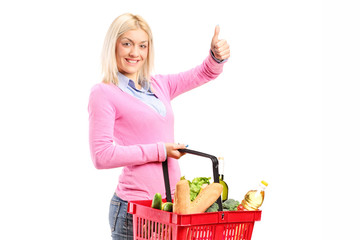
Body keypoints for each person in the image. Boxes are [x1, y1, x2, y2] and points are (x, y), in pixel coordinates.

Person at [88, 13, 230, 240]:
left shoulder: (159, 85)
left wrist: (215, 56)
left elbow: (204, 73)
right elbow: (101, 156)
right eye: (127, 44)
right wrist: (160, 150)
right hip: (134, 210)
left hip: (170, 208)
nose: (135, 53)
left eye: (142, 45)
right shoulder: (103, 93)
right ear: (113, 46)